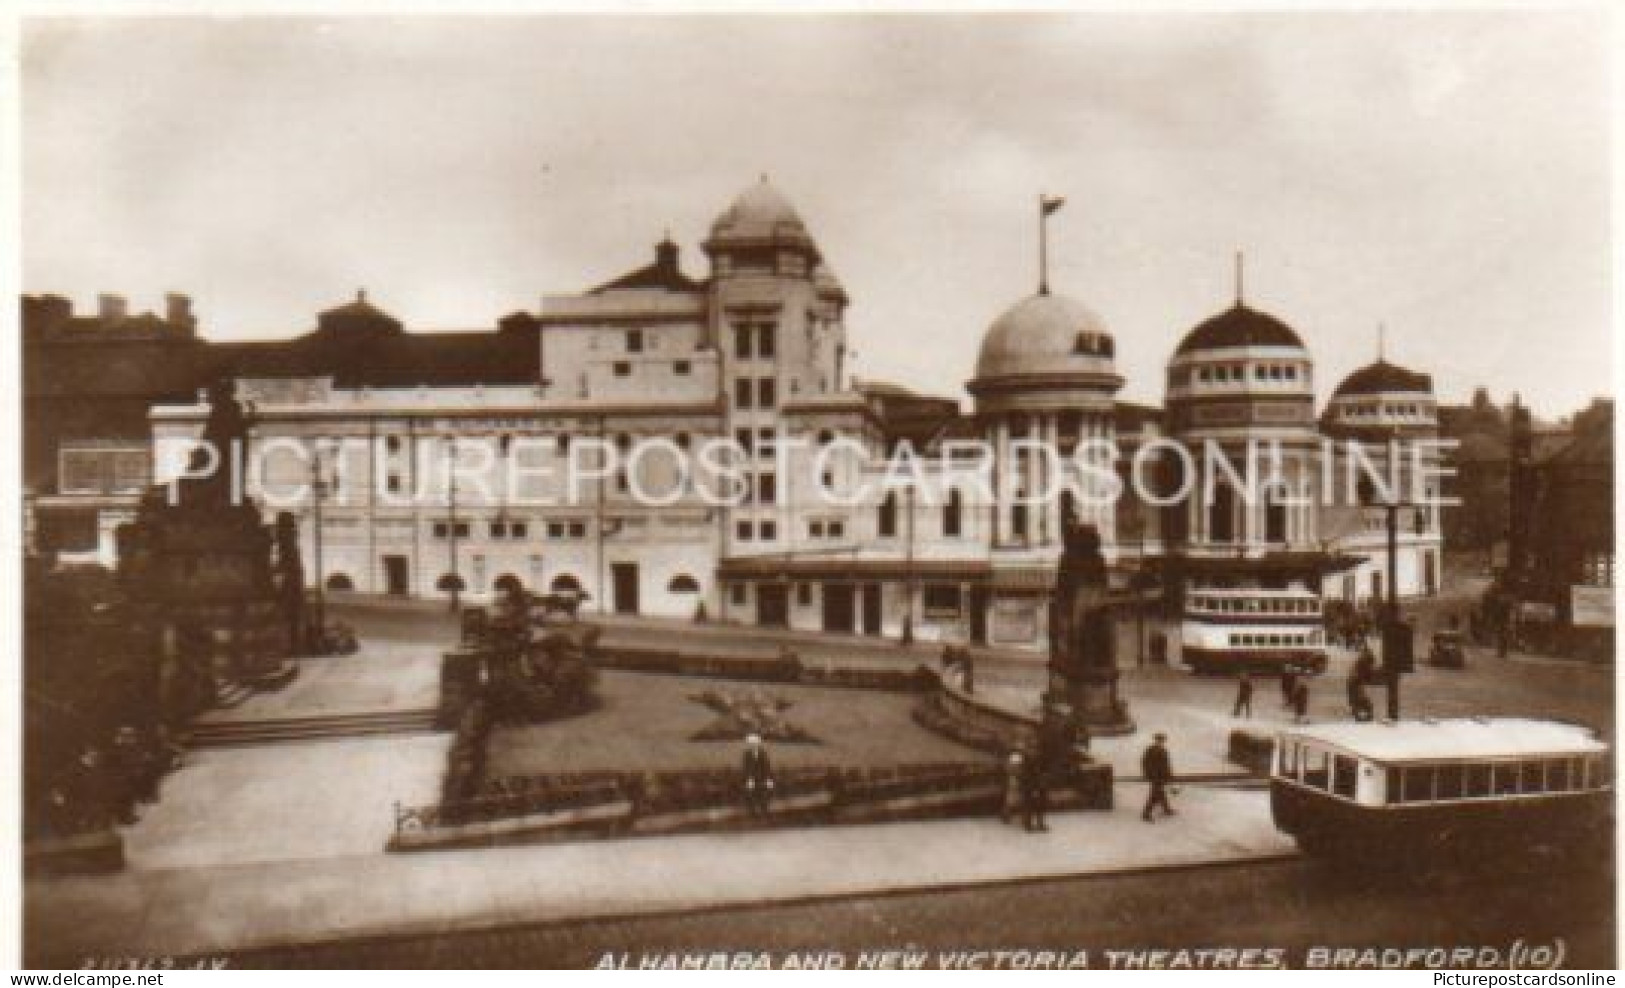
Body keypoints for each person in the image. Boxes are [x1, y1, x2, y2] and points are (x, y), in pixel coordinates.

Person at [1141, 733, 1175, 823]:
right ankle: (1146, 814)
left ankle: (1166, 809)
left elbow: (1166, 765)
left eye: (1162, 741)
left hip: (1162, 776)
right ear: (1155, 740)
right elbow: (1145, 763)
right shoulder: (1150, 750)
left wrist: (1169, 775)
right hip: (1155, 777)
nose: (1160, 742)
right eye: (1159, 741)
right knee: (1154, 795)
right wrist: (1149, 775)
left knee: (1160, 793)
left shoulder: (1164, 751)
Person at [741, 734, 774, 818]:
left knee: (764, 792)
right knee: (751, 793)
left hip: (762, 777)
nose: (753, 745)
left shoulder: (763, 753)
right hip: (751, 777)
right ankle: (752, 811)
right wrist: (749, 779)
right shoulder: (746, 754)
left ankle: (764, 810)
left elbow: (767, 766)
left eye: (755, 743)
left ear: (758, 744)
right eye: (751, 743)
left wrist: (768, 779)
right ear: (749, 744)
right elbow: (746, 768)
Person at [1020, 748, 1049, 832]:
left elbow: (1043, 771)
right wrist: (1033, 787)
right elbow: (1026, 774)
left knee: (1041, 805)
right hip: (1030, 785)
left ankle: (1040, 823)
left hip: (1040, 785)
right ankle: (1028, 824)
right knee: (1029, 804)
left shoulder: (1040, 759)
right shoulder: (1027, 759)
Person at [1001, 750, 1025, 825]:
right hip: (1014, 781)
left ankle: (1007, 816)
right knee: (1012, 800)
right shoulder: (1015, 758)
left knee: (1015, 800)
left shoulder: (1015, 757)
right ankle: (1006, 816)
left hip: (1016, 781)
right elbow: (1010, 770)